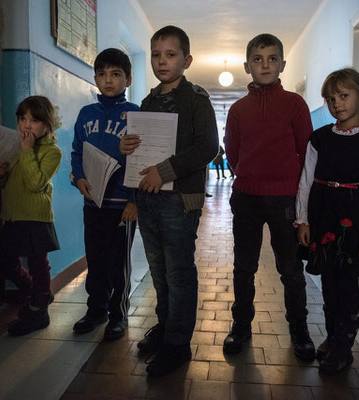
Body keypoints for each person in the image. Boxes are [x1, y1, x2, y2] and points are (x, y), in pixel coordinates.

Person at [120, 25, 219, 376]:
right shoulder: (147, 101)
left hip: (179, 200)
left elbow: (208, 148)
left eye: (171, 54)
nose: (162, 61)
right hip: (147, 199)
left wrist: (164, 170)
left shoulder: (196, 100)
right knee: (159, 271)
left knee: (179, 272)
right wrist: (126, 148)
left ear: (186, 60)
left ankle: (177, 344)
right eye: (157, 55)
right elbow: (138, 150)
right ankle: (165, 327)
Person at [223, 34, 315, 360]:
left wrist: (302, 203)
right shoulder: (237, 110)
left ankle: (299, 329)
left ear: (282, 65)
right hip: (246, 197)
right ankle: (241, 326)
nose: (265, 65)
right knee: (243, 266)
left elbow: (307, 154)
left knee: (290, 269)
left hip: (286, 199)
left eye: (272, 58)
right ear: (246, 66)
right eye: (258, 59)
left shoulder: (295, 105)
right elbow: (232, 154)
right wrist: (248, 175)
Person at [296, 68, 359, 374]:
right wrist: (303, 220)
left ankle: (343, 347)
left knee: (347, 283)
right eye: (330, 98)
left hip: (351, 216)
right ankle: (333, 337)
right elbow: (306, 181)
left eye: (344, 96)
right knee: (327, 281)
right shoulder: (319, 138)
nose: (337, 103)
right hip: (322, 215)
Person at [69, 48, 138, 339]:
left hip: (121, 204)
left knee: (117, 265)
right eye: (102, 74)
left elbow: (142, 160)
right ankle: (96, 310)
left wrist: (135, 201)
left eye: (115, 74)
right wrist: (79, 178)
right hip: (93, 202)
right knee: (95, 260)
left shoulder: (135, 114)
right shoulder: (86, 114)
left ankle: (118, 314)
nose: (108, 80)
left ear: (128, 79)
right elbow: (76, 152)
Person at [0, 96, 62, 336]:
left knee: (38, 265)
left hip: (36, 217)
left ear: (47, 124)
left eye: (34, 120)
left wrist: (27, 152)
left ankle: (38, 311)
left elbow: (34, 183)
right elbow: (4, 184)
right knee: (6, 264)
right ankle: (38, 294)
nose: (27, 125)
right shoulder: (15, 146)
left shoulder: (53, 152)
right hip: (12, 216)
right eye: (23, 119)